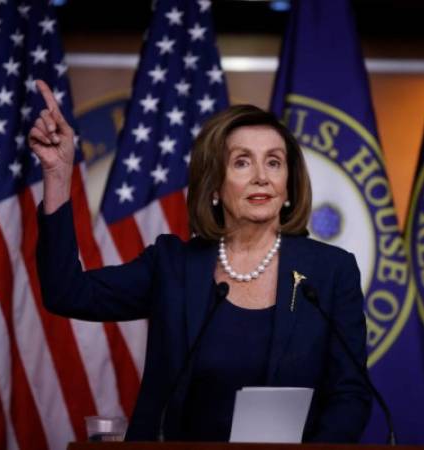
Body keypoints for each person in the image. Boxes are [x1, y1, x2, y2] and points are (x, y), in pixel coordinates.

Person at [31, 80, 371, 442]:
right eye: (242, 162)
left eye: (274, 162)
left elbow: (350, 395)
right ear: (213, 186)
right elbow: (66, 293)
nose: (261, 176)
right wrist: (57, 175)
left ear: (288, 185)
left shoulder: (330, 272)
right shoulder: (173, 266)